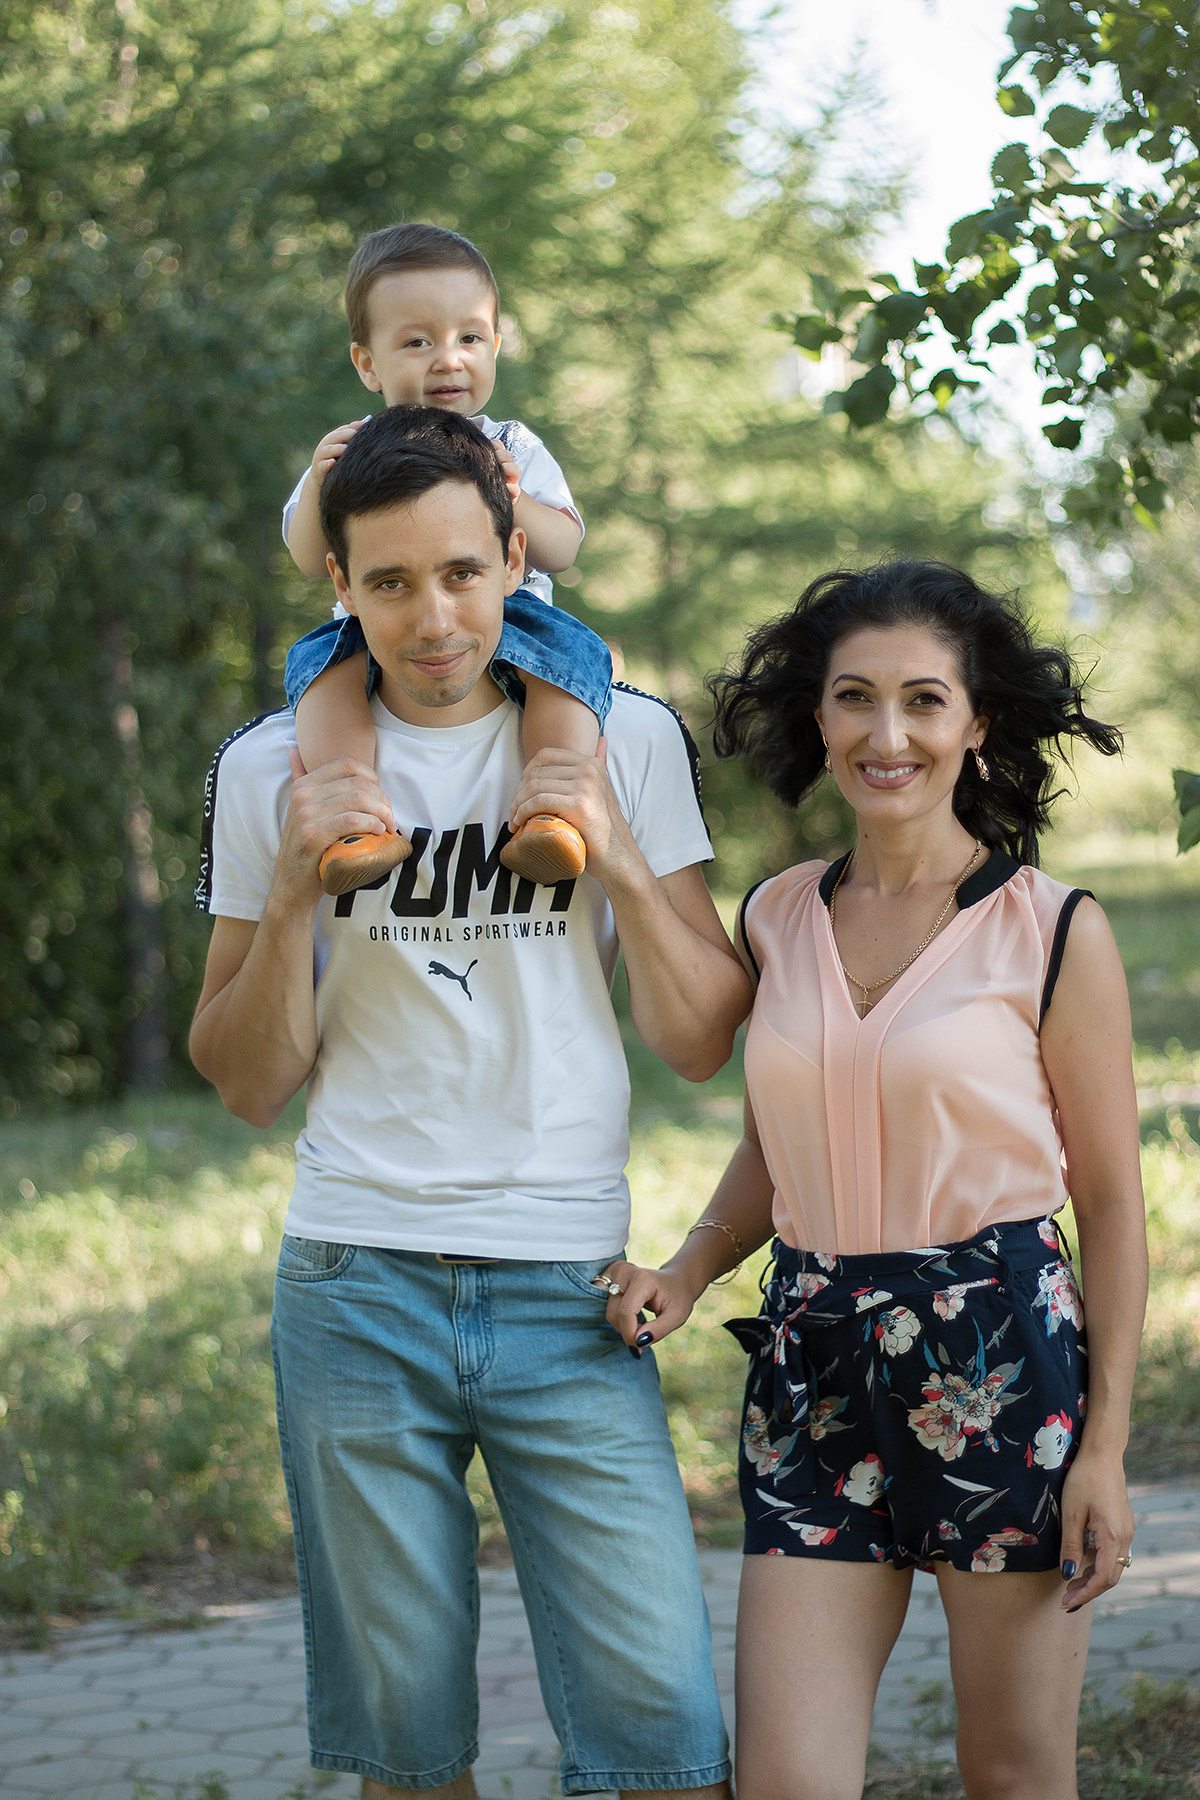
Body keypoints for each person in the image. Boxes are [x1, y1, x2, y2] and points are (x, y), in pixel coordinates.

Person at [189, 404, 750, 1799]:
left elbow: (700, 1040)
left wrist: (617, 860)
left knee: (666, 1743)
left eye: (459, 573)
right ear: (339, 586)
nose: (433, 618)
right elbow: (246, 1082)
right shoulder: (271, 767)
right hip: (355, 1288)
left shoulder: (623, 735)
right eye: (389, 583)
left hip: (569, 1289)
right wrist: (289, 895)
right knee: (408, 1750)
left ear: (513, 559)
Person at [595, 561, 1148, 1800]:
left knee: (1012, 1774)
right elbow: (774, 1140)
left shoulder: (1052, 928)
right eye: (855, 698)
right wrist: (689, 1268)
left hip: (999, 1364)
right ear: (819, 716)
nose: (886, 735)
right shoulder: (777, 916)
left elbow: (1112, 1204)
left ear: (977, 724)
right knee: (788, 1781)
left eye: (923, 701)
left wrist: (1105, 1449)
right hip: (813, 1365)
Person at [283, 220, 609, 896]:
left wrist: (512, 498)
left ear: (496, 346)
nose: (448, 360)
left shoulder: (514, 444)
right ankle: (355, 820)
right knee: (320, 675)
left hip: (512, 614)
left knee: (571, 667)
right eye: (417, 341)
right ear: (367, 363)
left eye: (469, 338)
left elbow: (564, 548)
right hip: (380, 622)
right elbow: (310, 557)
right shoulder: (352, 451)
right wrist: (318, 484)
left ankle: (551, 813)